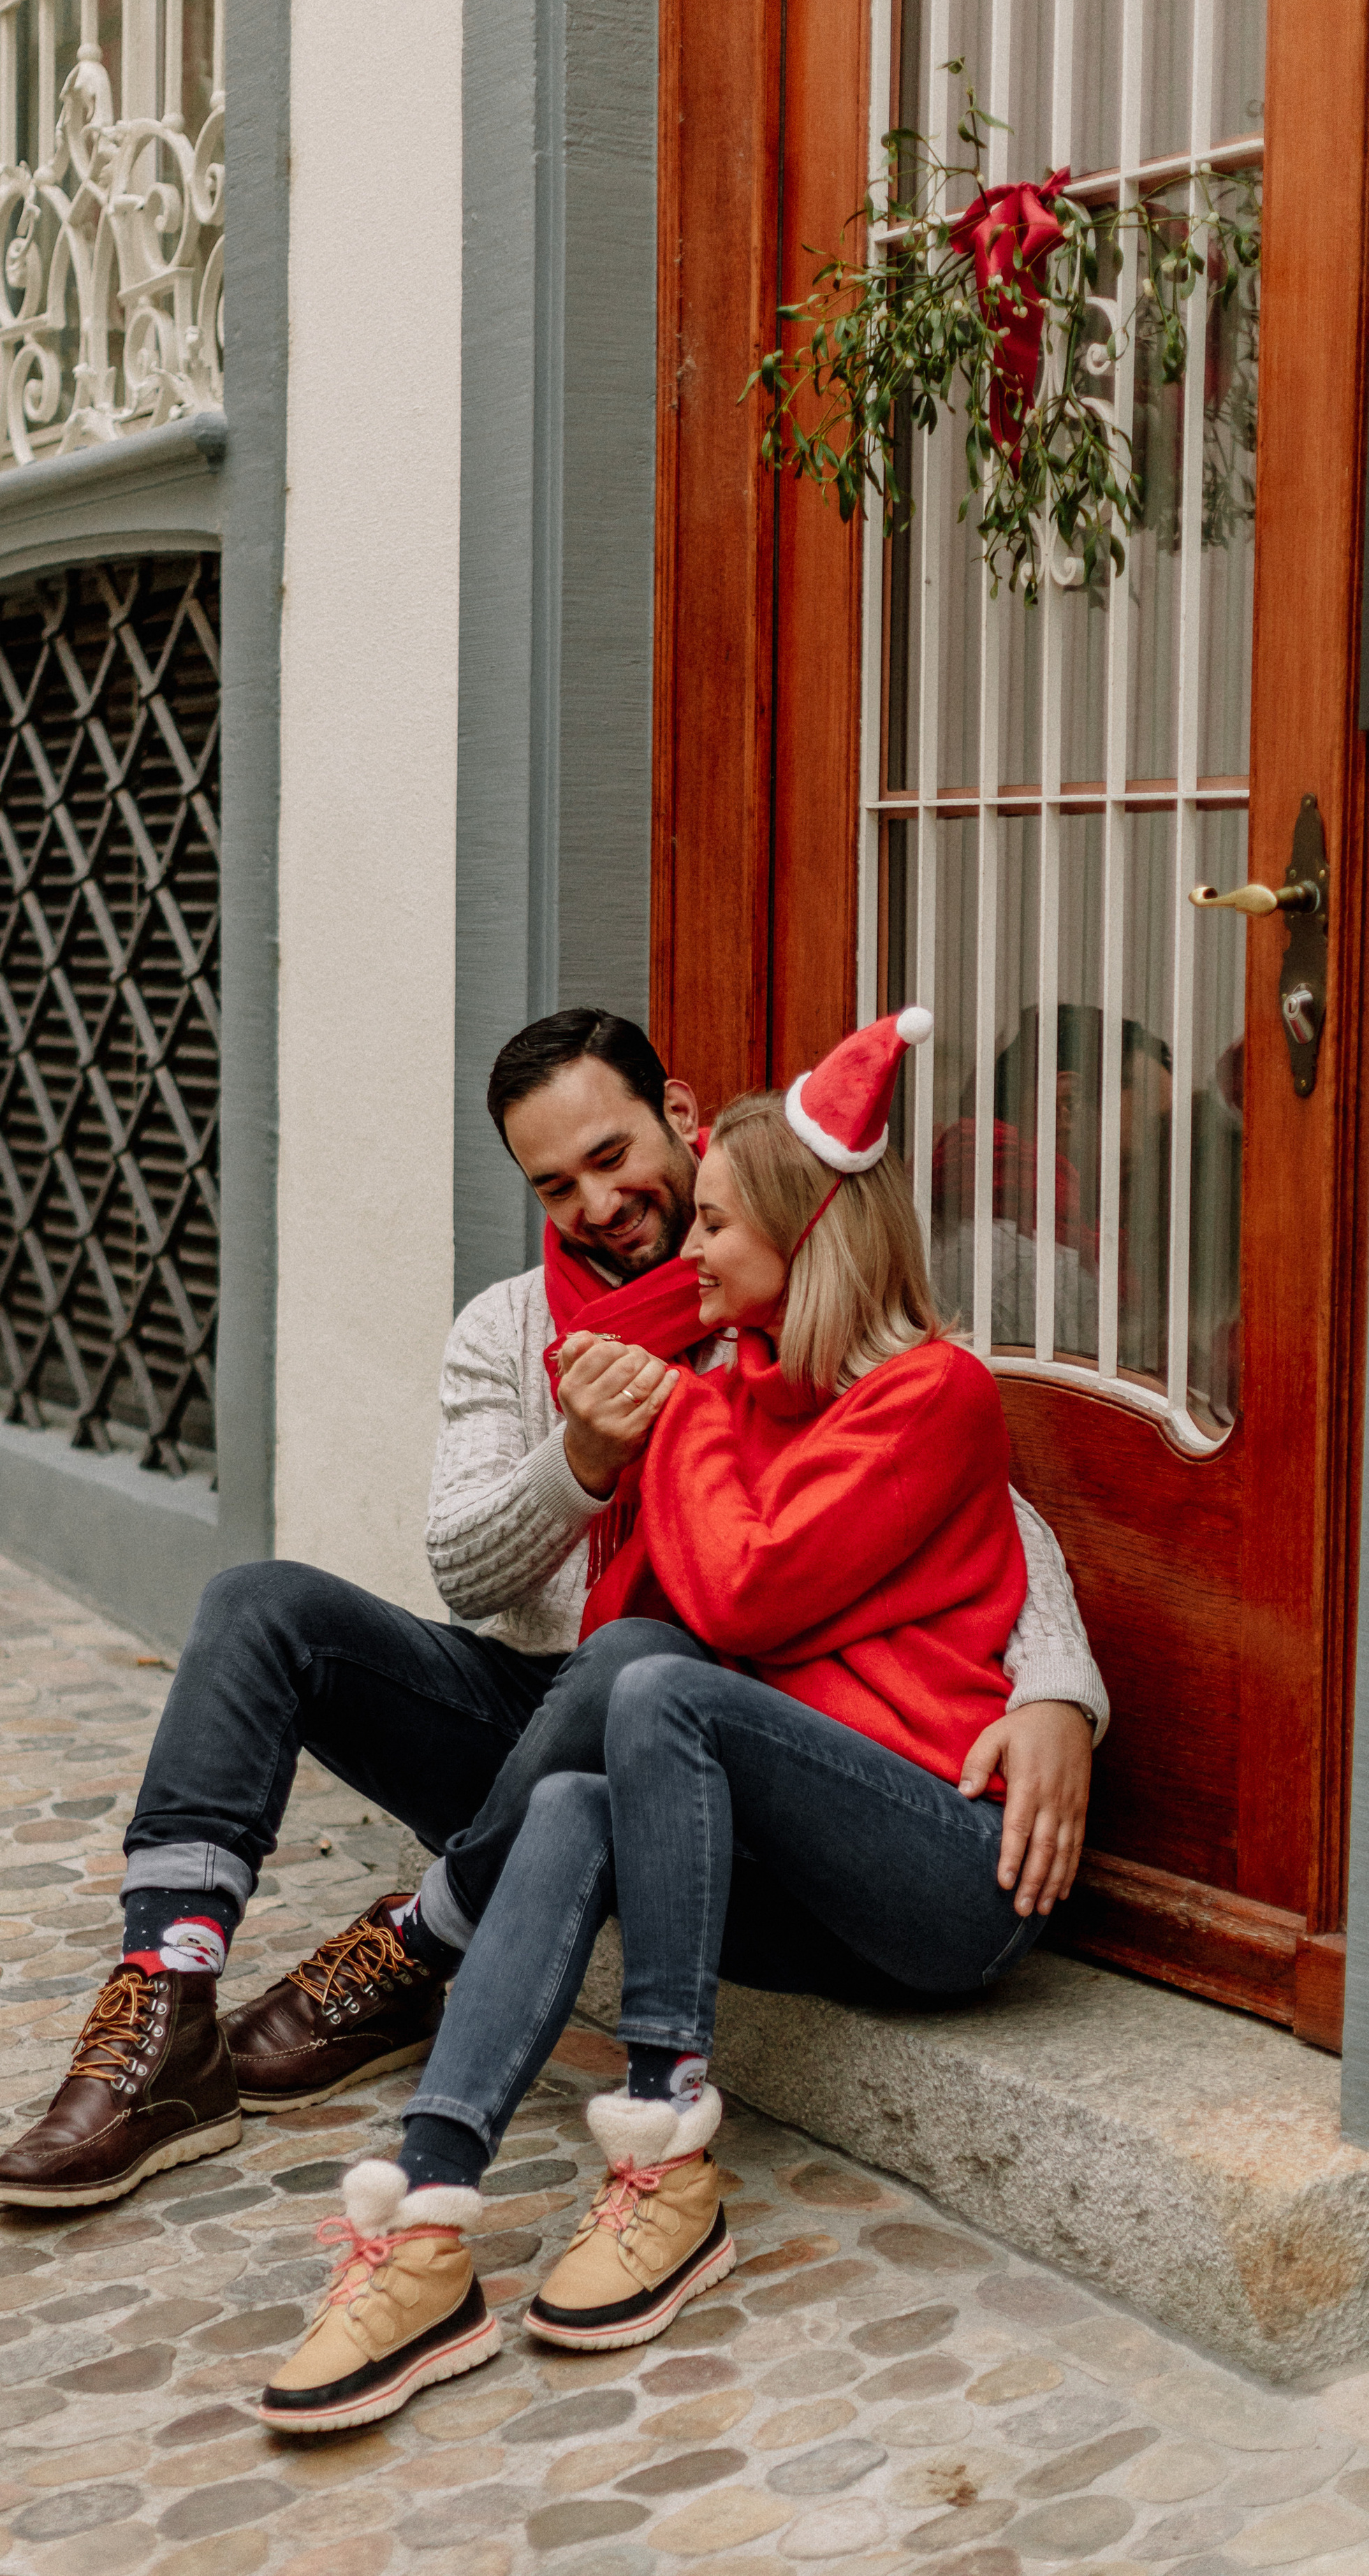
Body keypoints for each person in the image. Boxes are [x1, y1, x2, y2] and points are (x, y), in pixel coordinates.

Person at [0, 1009, 1104, 2211]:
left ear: (679, 1117)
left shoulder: (783, 1295)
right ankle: (166, 1996)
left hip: (687, 1726)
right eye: (556, 1184)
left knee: (645, 1654)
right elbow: (468, 1572)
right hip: (537, 1705)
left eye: (615, 1157)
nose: (598, 1203)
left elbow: (970, 1511)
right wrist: (576, 1462)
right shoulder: (509, 1328)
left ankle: (427, 1934)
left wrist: (1058, 1688)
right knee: (259, 1606)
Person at [258, 1007, 1067, 2433]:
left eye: (711, 1225)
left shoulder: (928, 1395)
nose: (677, 1258)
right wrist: (679, 1420)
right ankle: (427, 2218)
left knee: (652, 1680)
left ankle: (665, 2153)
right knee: (575, 1794)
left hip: (950, 1869)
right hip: (798, 1877)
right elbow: (683, 1590)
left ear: (806, 1230)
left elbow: (737, 1602)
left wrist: (1062, 1689)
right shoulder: (747, 1392)